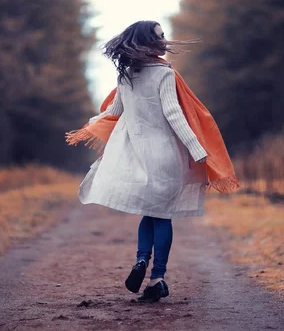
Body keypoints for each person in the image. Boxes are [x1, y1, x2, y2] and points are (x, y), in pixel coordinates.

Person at [66, 20, 238, 303]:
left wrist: (89, 126)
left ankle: (141, 260)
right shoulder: (164, 74)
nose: (164, 39)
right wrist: (197, 148)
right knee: (163, 214)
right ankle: (157, 277)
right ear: (147, 41)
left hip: (137, 154)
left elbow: (113, 111)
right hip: (165, 154)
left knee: (150, 211)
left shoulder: (125, 77)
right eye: (159, 36)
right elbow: (173, 113)